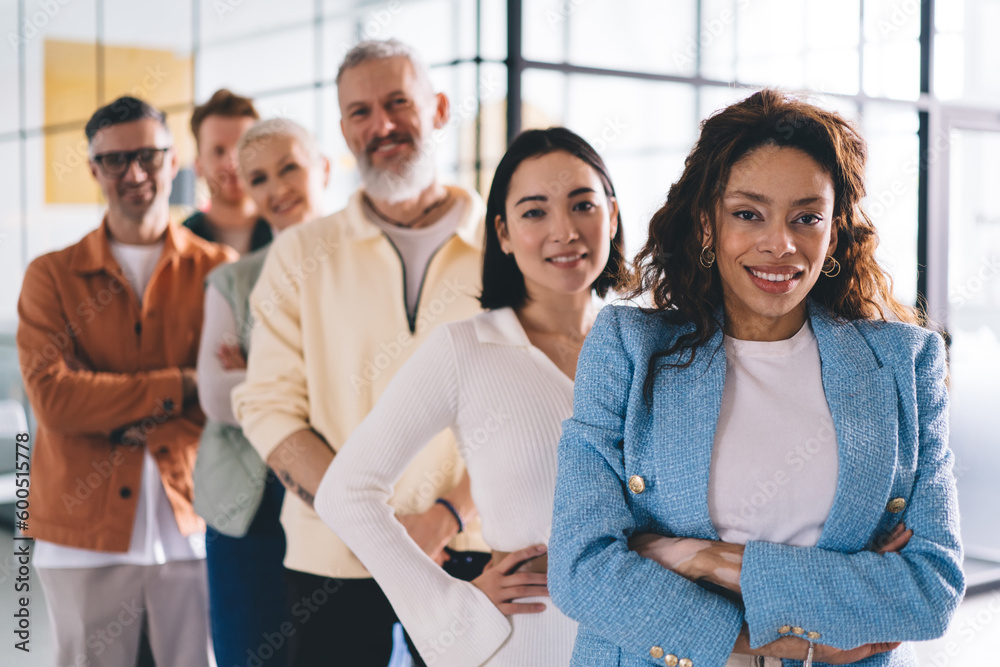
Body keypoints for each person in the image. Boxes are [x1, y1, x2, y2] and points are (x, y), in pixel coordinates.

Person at [548, 89, 965, 667]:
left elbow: (929, 592)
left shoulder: (905, 364)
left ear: (835, 231)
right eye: (748, 213)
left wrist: (708, 559)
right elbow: (581, 569)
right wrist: (758, 647)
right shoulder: (628, 350)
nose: (781, 244)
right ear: (706, 223)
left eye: (807, 218)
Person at [316, 127, 626, 666]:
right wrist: (451, 611)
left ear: (613, 217)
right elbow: (345, 492)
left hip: (643, 640)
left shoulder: (642, 346)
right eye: (534, 212)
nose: (564, 230)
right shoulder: (465, 350)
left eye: (582, 205)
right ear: (502, 234)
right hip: (525, 646)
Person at [232, 39, 489, 665]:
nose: (382, 125)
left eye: (398, 102)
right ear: (344, 131)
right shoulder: (299, 255)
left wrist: (447, 515)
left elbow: (530, 407)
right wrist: (369, 524)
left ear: (438, 108)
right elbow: (268, 408)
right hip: (334, 557)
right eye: (359, 112)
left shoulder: (505, 245)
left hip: (475, 546)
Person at [16, 96, 235, 666]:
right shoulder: (51, 275)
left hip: (193, 522)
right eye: (115, 161)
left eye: (148, 156)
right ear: (94, 170)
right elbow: (57, 400)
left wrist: (114, 401)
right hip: (79, 537)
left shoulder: (220, 270)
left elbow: (231, 394)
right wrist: (182, 384)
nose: (134, 174)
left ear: (174, 159)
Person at [194, 118, 330, 667]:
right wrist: (314, 379)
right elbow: (215, 397)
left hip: (332, 493)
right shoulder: (234, 279)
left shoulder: (363, 266)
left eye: (289, 168)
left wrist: (260, 375)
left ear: (322, 168)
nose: (276, 189)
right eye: (258, 179)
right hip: (243, 506)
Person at [182, 88, 273, 255]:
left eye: (243, 148)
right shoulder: (180, 242)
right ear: (198, 165)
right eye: (218, 151)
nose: (232, 164)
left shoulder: (284, 231)